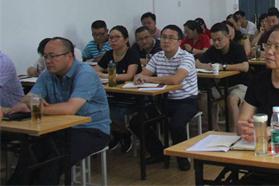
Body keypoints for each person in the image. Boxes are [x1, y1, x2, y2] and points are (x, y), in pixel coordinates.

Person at [7, 38, 110, 185]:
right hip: (59, 128)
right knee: (30, 153)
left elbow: (70, 108)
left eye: (53, 56)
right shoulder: (47, 74)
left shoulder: (85, 73)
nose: (48, 61)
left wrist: (37, 107)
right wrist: (30, 101)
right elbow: (29, 98)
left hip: (92, 130)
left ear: (69, 56)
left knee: (54, 159)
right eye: (45, 56)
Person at [132, 25, 199, 171]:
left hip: (186, 100)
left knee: (176, 125)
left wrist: (149, 79)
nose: (166, 41)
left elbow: (175, 80)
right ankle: (158, 152)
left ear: (179, 42)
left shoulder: (187, 57)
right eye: (163, 37)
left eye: (171, 38)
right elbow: (143, 74)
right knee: (136, 122)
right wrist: (139, 77)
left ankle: (182, 158)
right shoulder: (157, 56)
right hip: (163, 101)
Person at [94, 26, 140, 151]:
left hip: (131, 96)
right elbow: (95, 71)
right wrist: (108, 75)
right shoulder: (109, 54)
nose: (113, 40)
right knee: (98, 110)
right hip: (112, 94)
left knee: (113, 113)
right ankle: (118, 133)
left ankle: (123, 133)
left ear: (126, 39)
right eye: (111, 38)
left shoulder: (132, 54)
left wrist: (107, 75)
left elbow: (129, 75)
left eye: (117, 37)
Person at [196, 22, 249, 130]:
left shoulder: (237, 48)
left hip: (240, 85)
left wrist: (223, 67)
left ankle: (235, 132)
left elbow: (245, 66)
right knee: (204, 98)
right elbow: (197, 62)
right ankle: (215, 130)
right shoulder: (212, 50)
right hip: (220, 86)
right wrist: (209, 66)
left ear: (228, 37)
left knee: (232, 99)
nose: (216, 43)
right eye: (213, 40)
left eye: (219, 39)